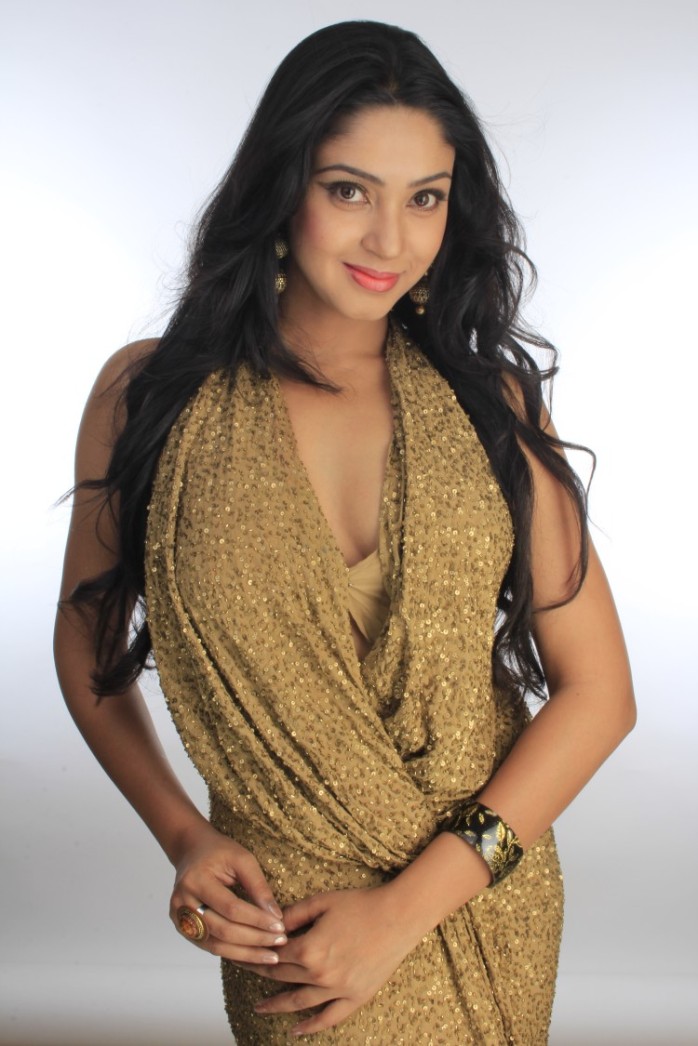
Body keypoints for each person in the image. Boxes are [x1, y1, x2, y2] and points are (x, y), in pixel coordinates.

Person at [54, 20, 636, 1045]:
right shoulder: (151, 395)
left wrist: (403, 911)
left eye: (425, 198)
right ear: (281, 186)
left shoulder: (490, 404)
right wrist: (183, 835)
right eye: (349, 191)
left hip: (478, 896)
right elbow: (86, 645)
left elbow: (599, 695)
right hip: (293, 926)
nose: (390, 241)